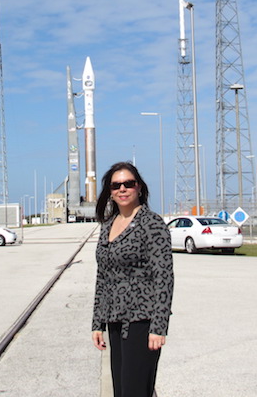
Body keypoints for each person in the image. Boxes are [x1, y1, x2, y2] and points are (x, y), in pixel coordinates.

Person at [92, 161, 174, 397]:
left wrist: (158, 327)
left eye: (128, 184)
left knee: (135, 391)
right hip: (115, 321)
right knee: (121, 390)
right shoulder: (108, 225)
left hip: (142, 321)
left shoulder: (152, 224)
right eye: (116, 185)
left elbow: (164, 277)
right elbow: (102, 277)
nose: (122, 189)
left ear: (139, 187)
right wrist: (97, 322)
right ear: (110, 191)